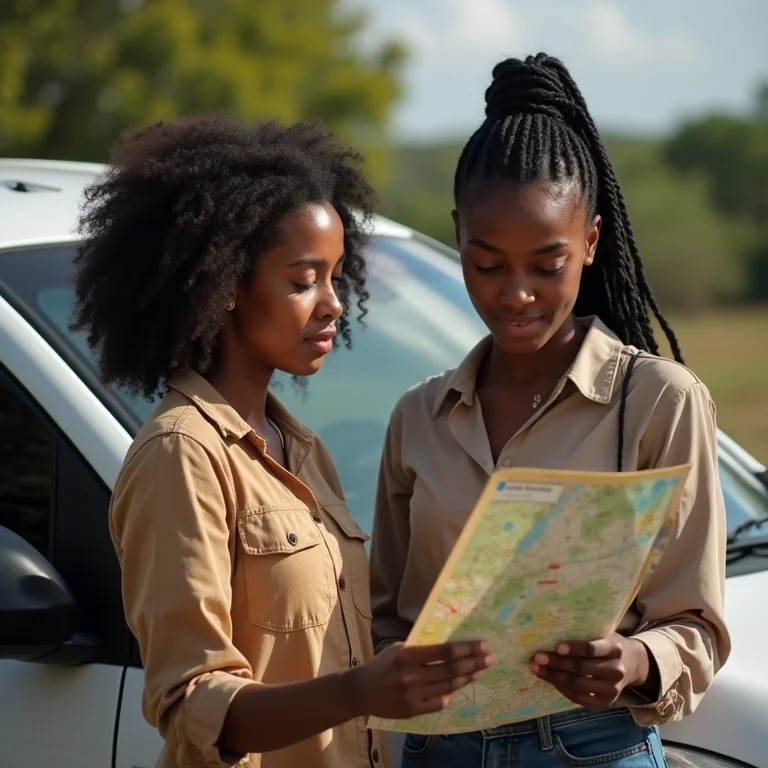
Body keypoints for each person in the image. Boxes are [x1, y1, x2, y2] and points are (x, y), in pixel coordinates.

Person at [70, 115, 493, 768]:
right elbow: (191, 705)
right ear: (224, 285)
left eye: (335, 277)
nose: (332, 304)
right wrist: (359, 691)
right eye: (302, 281)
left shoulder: (300, 449)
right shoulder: (181, 455)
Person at [369, 53, 730, 767]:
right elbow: (382, 619)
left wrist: (632, 660)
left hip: (593, 747)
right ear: (457, 238)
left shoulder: (660, 401)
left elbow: (698, 626)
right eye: (488, 263)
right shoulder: (417, 417)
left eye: (547, 263)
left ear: (591, 242)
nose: (516, 293)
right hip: (440, 752)